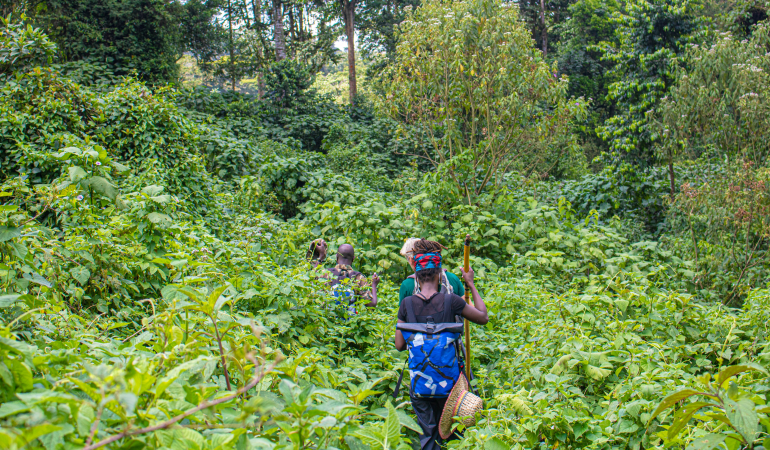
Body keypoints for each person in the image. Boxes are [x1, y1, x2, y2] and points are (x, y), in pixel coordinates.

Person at [394, 239, 488, 450]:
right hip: (450, 386)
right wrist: (470, 283)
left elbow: (399, 345)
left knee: (427, 438)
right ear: (439, 273)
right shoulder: (451, 300)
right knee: (454, 438)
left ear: (416, 274)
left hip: (420, 386)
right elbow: (483, 317)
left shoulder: (406, 304)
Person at [399, 238, 464, 305]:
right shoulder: (452, 278)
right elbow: (471, 310)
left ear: (411, 260)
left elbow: (404, 313)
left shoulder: (407, 285)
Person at [320, 243, 380, 311]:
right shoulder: (359, 278)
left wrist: (320, 258)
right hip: (349, 320)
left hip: (327, 319)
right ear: (353, 259)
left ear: (336, 257)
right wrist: (374, 285)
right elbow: (371, 305)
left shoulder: (325, 274)